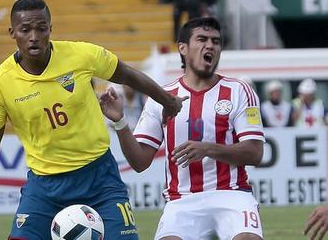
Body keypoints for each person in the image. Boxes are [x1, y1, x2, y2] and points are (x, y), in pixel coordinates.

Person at [0, 0, 184, 240]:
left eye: (41, 28)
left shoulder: (81, 55)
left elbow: (127, 74)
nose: (34, 36)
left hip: (99, 178)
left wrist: (168, 100)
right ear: (12, 32)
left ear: (51, 29)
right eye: (25, 29)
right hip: (44, 187)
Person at [100, 17, 264, 239]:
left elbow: (254, 153)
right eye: (202, 39)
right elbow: (139, 162)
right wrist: (120, 121)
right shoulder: (162, 98)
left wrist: (207, 149)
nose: (210, 46)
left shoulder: (239, 91)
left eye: (216, 42)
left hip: (232, 195)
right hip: (182, 201)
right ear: (183, 49)